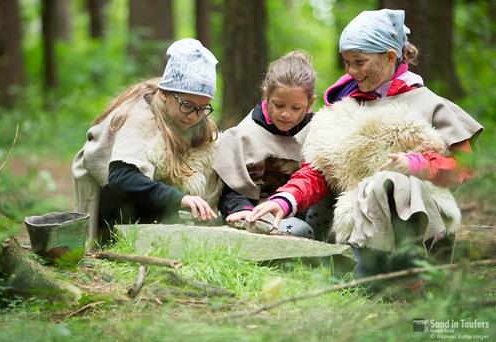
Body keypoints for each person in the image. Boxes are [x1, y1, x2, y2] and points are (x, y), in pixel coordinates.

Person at [249, 9, 483, 283]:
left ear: (390, 56)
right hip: (357, 230)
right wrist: (284, 201)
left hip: (422, 225)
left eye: (359, 62)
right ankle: (361, 273)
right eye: (347, 62)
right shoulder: (347, 107)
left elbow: (464, 169)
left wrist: (417, 166)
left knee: (393, 183)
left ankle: (411, 277)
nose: (351, 71)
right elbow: (319, 171)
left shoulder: (429, 104)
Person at [73, 38, 221, 249]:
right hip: (114, 199)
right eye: (187, 105)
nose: (194, 116)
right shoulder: (139, 117)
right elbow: (121, 178)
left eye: (202, 108)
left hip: (153, 199)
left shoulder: (197, 120)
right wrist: (180, 199)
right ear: (163, 94)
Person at [213, 51, 318, 238]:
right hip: (260, 218)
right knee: (298, 230)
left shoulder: (318, 131)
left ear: (311, 102)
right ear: (266, 95)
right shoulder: (243, 135)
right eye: (279, 105)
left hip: (307, 214)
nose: (286, 114)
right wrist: (241, 210)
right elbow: (231, 190)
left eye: (296, 108)